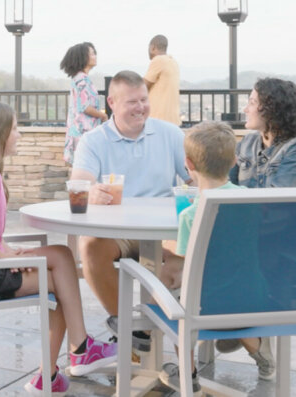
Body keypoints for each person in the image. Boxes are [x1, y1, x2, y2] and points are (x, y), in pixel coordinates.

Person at [0, 101, 117, 394]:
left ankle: (74, 353)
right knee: (62, 284)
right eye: (14, 129)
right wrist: (3, 259)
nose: (19, 134)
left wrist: (7, 251)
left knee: (61, 255)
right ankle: (70, 357)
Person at [69, 70, 191, 352]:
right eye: (132, 102)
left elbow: (194, 179)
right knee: (89, 248)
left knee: (184, 263)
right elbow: (81, 180)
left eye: (143, 100)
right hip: (120, 233)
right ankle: (132, 331)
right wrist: (93, 190)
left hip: (164, 233)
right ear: (112, 102)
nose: (140, 108)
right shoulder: (94, 141)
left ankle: (176, 345)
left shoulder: (170, 134)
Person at [156, 122, 275, 392]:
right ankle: (257, 349)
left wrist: (163, 253)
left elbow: (185, 264)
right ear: (233, 160)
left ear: (188, 164)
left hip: (207, 307)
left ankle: (188, 372)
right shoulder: (250, 199)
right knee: (229, 277)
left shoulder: (190, 215)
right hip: (253, 298)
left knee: (170, 285)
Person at [230, 77, 296, 188]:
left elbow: (275, 200)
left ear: (272, 109)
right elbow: (227, 185)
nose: (245, 109)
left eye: (252, 103)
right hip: (244, 205)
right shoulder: (247, 142)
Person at [60, 42, 108, 165]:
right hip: (83, 132)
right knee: (85, 167)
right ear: (83, 57)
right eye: (91, 53)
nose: (95, 56)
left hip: (79, 130)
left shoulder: (78, 78)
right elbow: (85, 107)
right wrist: (102, 115)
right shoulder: (83, 80)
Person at [145, 34, 181, 126]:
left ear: (153, 48)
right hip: (173, 119)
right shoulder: (173, 62)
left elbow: (143, 86)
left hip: (159, 118)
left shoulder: (158, 60)